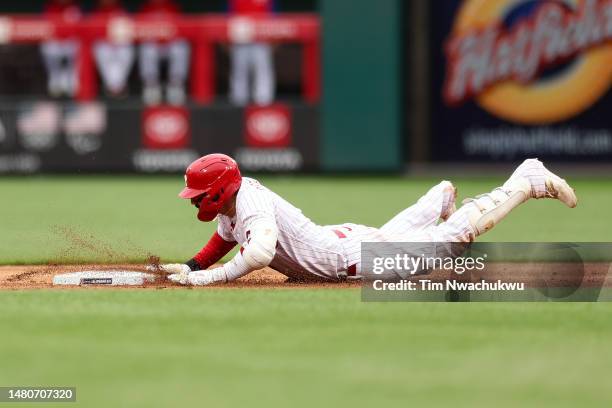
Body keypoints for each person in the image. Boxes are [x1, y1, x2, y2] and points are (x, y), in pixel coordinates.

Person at [155, 154, 578, 285]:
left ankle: (525, 180)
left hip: (352, 257)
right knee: (395, 236)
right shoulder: (237, 203)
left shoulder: (251, 202)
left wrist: (205, 280)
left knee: (456, 239)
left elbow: (261, 251)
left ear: (220, 190)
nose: (195, 202)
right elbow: (223, 241)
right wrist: (192, 266)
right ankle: (439, 196)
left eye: (198, 195)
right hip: (342, 243)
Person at [138, 0, 190, 105]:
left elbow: (181, 29)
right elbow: (138, 30)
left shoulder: (172, 6)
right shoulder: (146, 8)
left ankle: (176, 85)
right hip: (153, 44)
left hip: (169, 44)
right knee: (147, 48)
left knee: (181, 47)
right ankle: (151, 85)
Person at [228, 0, 276, 106]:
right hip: (240, 38)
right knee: (239, 72)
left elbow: (273, 15)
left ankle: (264, 104)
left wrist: (273, 37)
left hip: (261, 39)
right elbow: (229, 14)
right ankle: (238, 104)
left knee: (262, 71)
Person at [91, 0, 135, 97]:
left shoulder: (123, 11)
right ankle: (114, 86)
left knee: (125, 48)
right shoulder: (96, 12)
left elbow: (131, 31)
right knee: (102, 49)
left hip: (120, 44)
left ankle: (117, 85)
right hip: (104, 44)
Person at [41, 0, 82, 97]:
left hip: (70, 42)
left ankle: (72, 79)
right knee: (48, 47)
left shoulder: (74, 8)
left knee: (78, 46)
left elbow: (79, 29)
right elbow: (46, 29)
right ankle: (55, 78)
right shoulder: (50, 8)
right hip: (55, 42)